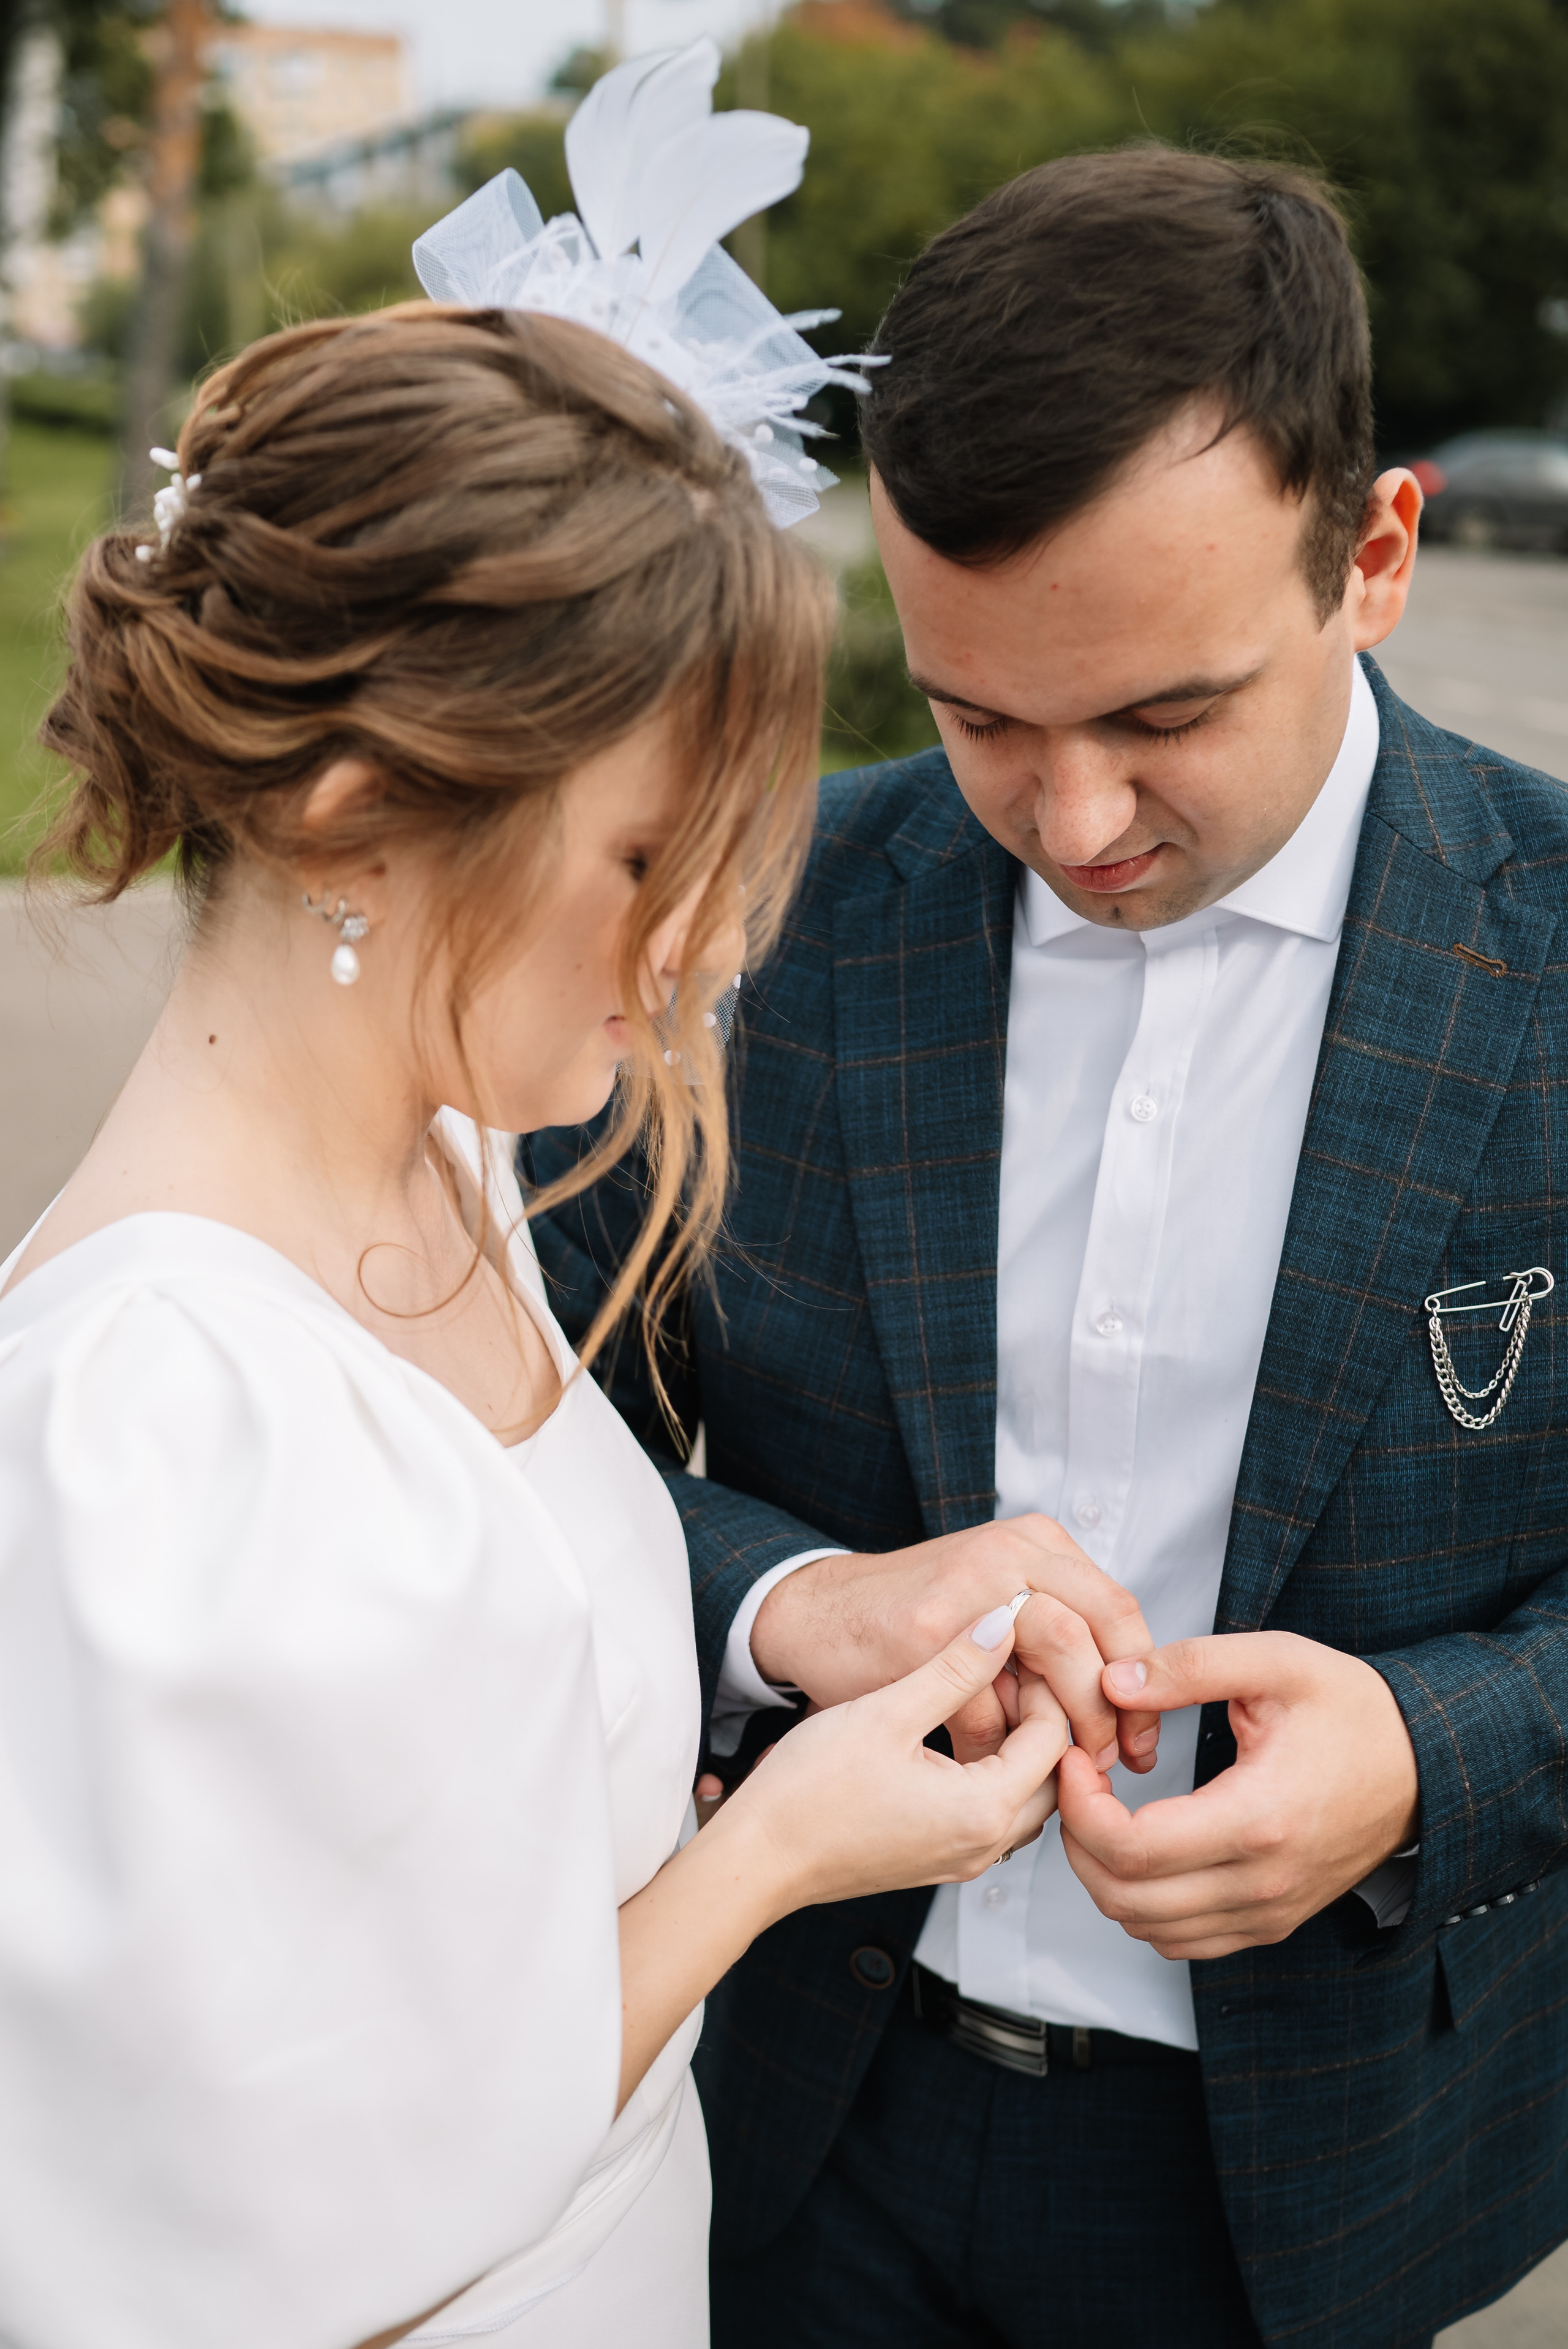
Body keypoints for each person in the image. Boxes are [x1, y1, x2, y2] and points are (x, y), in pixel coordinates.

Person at [527, 146, 1568, 2349]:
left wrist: (1434, 1748)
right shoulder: (759, 917)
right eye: (981, 717)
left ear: (1375, 554)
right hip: (790, 2116)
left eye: (1165, 715)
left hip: (1318, 2188)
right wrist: (798, 1605)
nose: (1074, 822)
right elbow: (511, 1419)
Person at [0, 293, 1072, 2349]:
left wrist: (802, 1635)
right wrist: (772, 1854)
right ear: (346, 810)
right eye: (650, 851)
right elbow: (282, 2237)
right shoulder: (154, 1429)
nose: (717, 942)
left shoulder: (454, 1164)